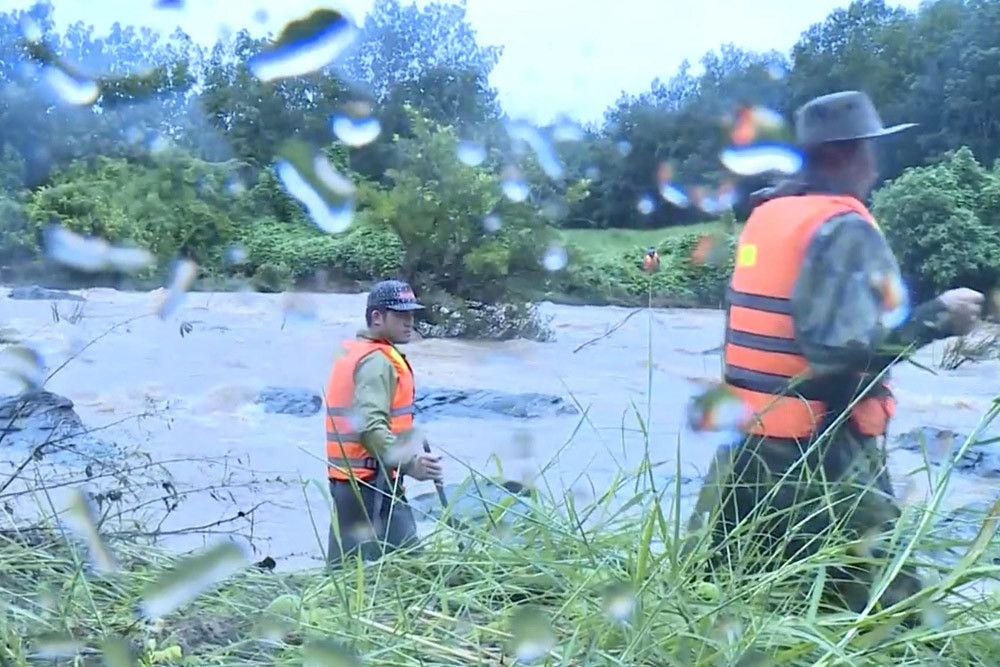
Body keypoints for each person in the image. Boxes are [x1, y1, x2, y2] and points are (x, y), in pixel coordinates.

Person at [687, 90, 984, 616]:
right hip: (824, 449)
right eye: (870, 150)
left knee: (714, 598)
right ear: (844, 154)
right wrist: (939, 316)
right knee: (887, 614)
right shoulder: (843, 227)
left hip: (746, 449)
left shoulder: (768, 216)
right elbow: (838, 351)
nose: (875, 164)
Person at [323, 279, 444, 566]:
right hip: (369, 486)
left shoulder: (360, 352)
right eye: (401, 315)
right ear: (377, 317)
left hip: (359, 483)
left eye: (411, 315)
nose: (409, 322)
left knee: (347, 571)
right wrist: (411, 464)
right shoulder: (377, 361)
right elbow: (369, 426)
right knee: (408, 566)